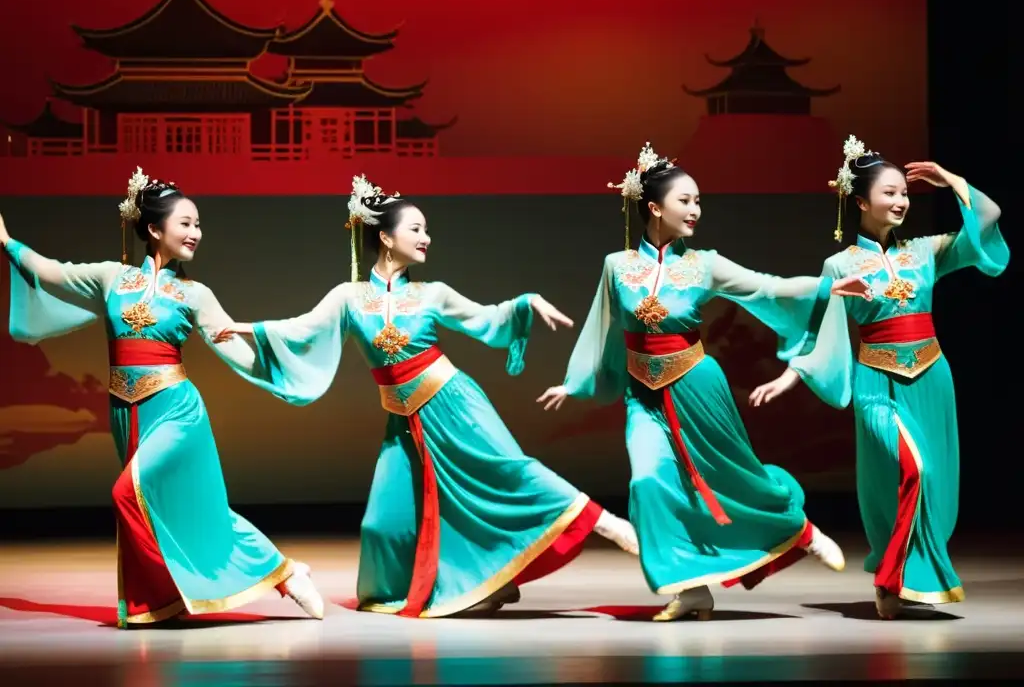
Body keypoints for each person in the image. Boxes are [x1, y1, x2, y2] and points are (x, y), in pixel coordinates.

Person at [215, 175, 639, 618]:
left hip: (452, 403)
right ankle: (487, 583)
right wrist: (253, 329)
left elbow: (488, 318)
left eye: (426, 229)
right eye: (415, 228)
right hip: (403, 421)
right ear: (384, 236)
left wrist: (524, 304)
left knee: (508, 474)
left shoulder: (432, 294)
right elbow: (305, 327)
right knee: (383, 525)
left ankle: (605, 523)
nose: (426, 238)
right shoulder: (349, 297)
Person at [537, 142, 871, 621]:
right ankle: (690, 587)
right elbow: (604, 327)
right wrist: (576, 382)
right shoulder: (617, 266)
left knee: (739, 476)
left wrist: (825, 287)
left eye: (698, 201)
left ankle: (799, 530)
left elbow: (766, 286)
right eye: (685, 201)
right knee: (650, 481)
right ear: (654, 208)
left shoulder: (704, 264)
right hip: (644, 396)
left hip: (697, 385)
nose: (695, 210)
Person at [0, 168, 324, 628]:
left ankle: (280, 576)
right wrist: (6, 240)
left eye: (197, 224)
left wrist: (274, 356)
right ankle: (277, 575)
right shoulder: (111, 278)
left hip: (176, 410)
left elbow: (236, 351)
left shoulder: (195, 293)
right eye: (186, 223)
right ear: (154, 229)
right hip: (126, 412)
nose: (196, 232)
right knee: (183, 508)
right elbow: (49, 272)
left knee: (125, 492)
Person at [749, 136, 1008, 619]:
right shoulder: (841, 263)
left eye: (904, 193)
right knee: (915, 469)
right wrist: (794, 375)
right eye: (889, 193)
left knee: (931, 481)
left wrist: (950, 179)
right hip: (877, 383)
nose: (901, 201)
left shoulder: (927, 251)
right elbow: (816, 326)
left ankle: (899, 579)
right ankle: (894, 577)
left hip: (932, 376)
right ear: (861, 201)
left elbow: (988, 219)